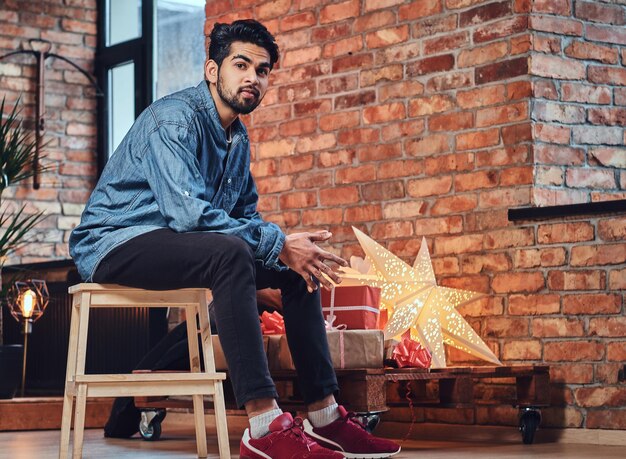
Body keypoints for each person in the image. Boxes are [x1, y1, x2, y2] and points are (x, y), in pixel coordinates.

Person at [70, 19, 400, 459]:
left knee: (295, 269)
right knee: (234, 252)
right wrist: (278, 241)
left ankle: (325, 416)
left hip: (173, 241)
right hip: (114, 240)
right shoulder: (175, 119)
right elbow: (188, 215)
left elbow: (244, 217)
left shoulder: (237, 139)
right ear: (212, 70)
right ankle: (263, 425)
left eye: (262, 71)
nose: (252, 78)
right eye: (240, 64)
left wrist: (282, 255)